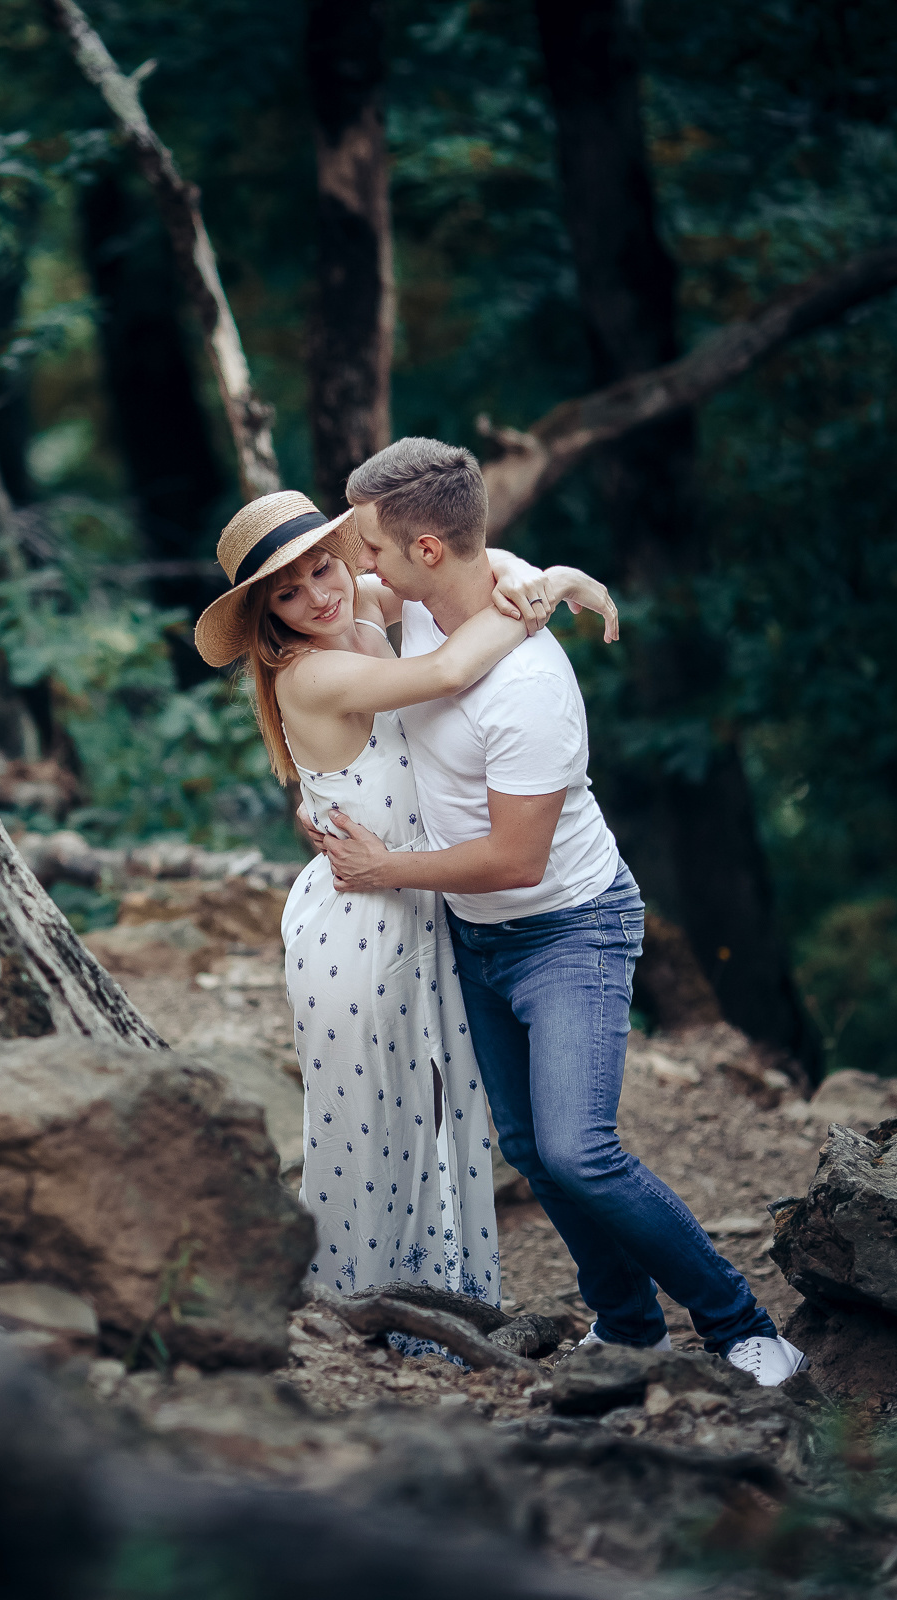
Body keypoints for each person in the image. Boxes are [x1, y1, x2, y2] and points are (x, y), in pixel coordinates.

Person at [302, 437, 806, 1386]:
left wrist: (388, 868)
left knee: (580, 1150)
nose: (356, 572)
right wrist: (563, 575)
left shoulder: (528, 686)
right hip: (477, 931)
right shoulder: (422, 602)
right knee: (532, 1148)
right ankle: (627, 1328)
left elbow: (515, 856)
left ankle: (745, 1327)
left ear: (426, 551)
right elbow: (351, 613)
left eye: (370, 549)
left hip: (567, 927)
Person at [189, 489, 614, 1335]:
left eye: (322, 565)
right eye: (289, 591)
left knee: (435, 1115)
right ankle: (356, 1312)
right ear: (268, 615)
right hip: (363, 925)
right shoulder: (311, 670)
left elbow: (464, 570)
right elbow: (453, 668)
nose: (319, 593)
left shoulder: (363, 605)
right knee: (371, 1125)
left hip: (413, 896)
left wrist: (534, 573)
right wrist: (556, 590)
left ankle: (436, 1302)